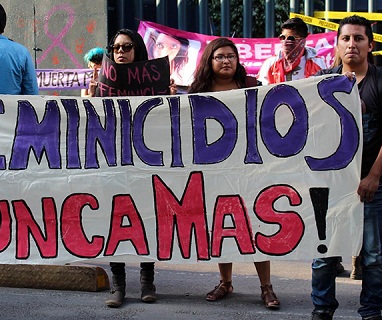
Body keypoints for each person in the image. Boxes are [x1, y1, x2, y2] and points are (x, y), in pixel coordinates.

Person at [310, 15, 382, 320]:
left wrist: (374, 176)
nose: (352, 44)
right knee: (325, 252)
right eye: (346, 38)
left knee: (373, 254)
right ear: (337, 45)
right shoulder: (322, 82)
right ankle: (322, 308)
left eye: (359, 38)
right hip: (329, 184)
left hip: (370, 184)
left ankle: (371, 312)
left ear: (370, 44)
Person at [187, 37, 280, 310]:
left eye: (231, 56)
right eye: (219, 57)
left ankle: (266, 286)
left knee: (256, 225)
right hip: (215, 170)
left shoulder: (252, 87)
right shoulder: (197, 91)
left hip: (249, 169)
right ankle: (225, 282)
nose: (226, 61)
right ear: (209, 61)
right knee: (222, 226)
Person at [101, 28, 175, 308]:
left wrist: (168, 100)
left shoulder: (155, 85)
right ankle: (117, 285)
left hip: (147, 161)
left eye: (127, 46)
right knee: (114, 220)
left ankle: (147, 282)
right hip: (114, 161)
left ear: (138, 51)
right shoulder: (103, 84)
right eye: (116, 47)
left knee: (147, 218)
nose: (120, 51)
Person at [257, 17, 327, 85]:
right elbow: (261, 91)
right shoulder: (270, 63)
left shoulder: (318, 63)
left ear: (302, 40)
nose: (285, 42)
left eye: (291, 38)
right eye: (283, 37)